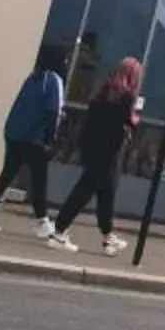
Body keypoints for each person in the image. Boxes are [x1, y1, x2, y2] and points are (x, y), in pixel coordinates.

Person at [41, 58, 142, 256]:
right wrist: (133, 121)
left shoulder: (103, 91)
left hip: (93, 149)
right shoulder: (127, 97)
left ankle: (107, 237)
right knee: (84, 192)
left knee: (106, 193)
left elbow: (92, 120)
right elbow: (127, 124)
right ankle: (59, 232)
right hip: (109, 152)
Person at [0, 42, 67, 233]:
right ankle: (43, 223)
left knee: (7, 174)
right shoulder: (54, 80)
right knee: (39, 180)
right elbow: (52, 110)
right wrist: (49, 139)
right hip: (35, 138)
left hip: (15, 133)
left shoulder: (33, 78)